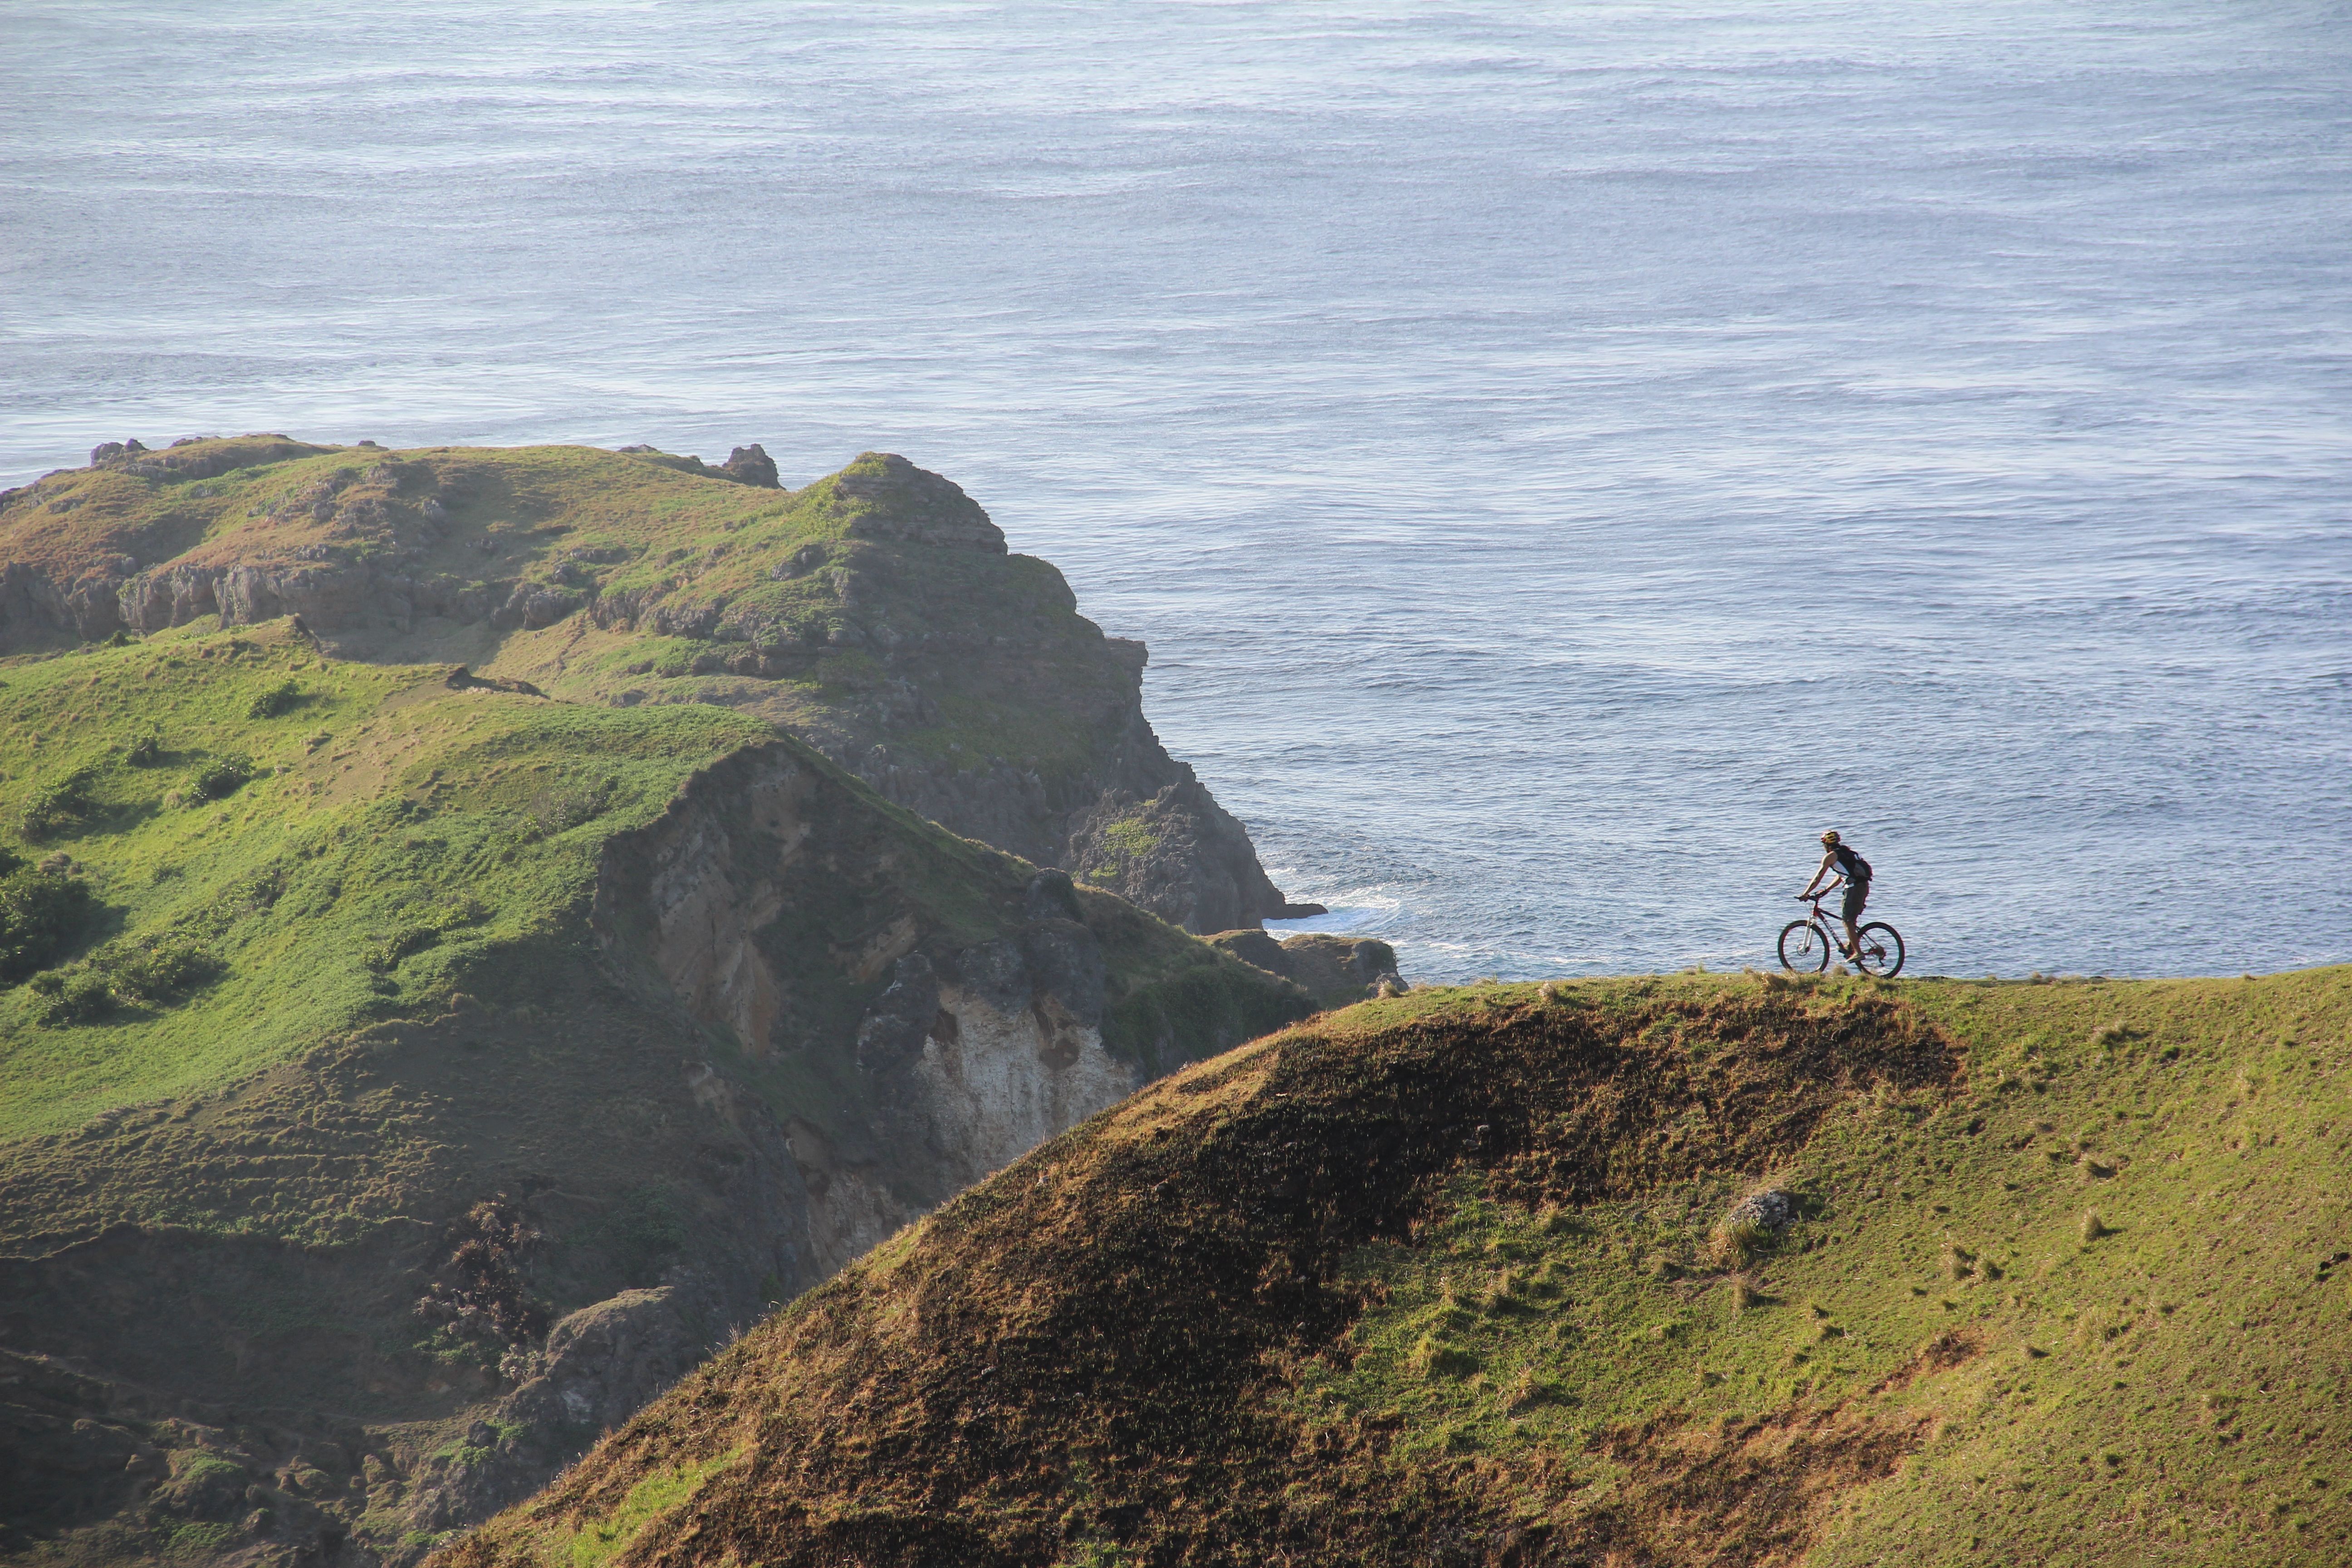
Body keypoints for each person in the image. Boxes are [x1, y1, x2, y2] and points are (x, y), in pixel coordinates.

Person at [1799, 830, 1872, 957]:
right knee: (1851, 919)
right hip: (1864, 887)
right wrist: (1827, 890)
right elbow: (1843, 875)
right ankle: (1851, 946)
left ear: (1826, 844)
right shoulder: (1848, 853)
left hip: (1853, 889)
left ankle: (1858, 953)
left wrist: (1806, 893)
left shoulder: (1831, 857)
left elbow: (1818, 878)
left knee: (1847, 921)